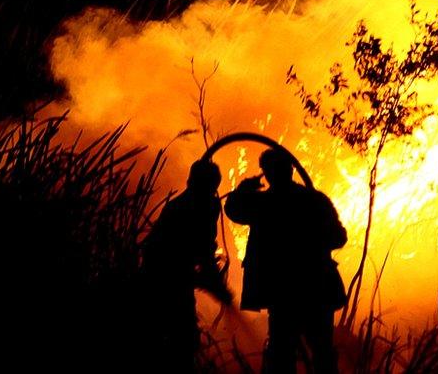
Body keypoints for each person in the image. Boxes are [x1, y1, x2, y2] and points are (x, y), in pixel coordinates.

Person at [225, 148, 347, 374]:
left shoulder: (263, 204)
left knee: (282, 354)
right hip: (317, 289)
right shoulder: (316, 200)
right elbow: (339, 238)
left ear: (268, 174)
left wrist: (242, 190)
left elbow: (233, 209)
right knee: (322, 352)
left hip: (282, 293)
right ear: (290, 169)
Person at [141, 159, 232, 372]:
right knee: (179, 338)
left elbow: (202, 249)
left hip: (169, 274)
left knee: (179, 337)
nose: (212, 192)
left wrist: (212, 282)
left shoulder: (189, 203)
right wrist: (215, 284)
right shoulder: (199, 206)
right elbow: (200, 248)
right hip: (163, 276)